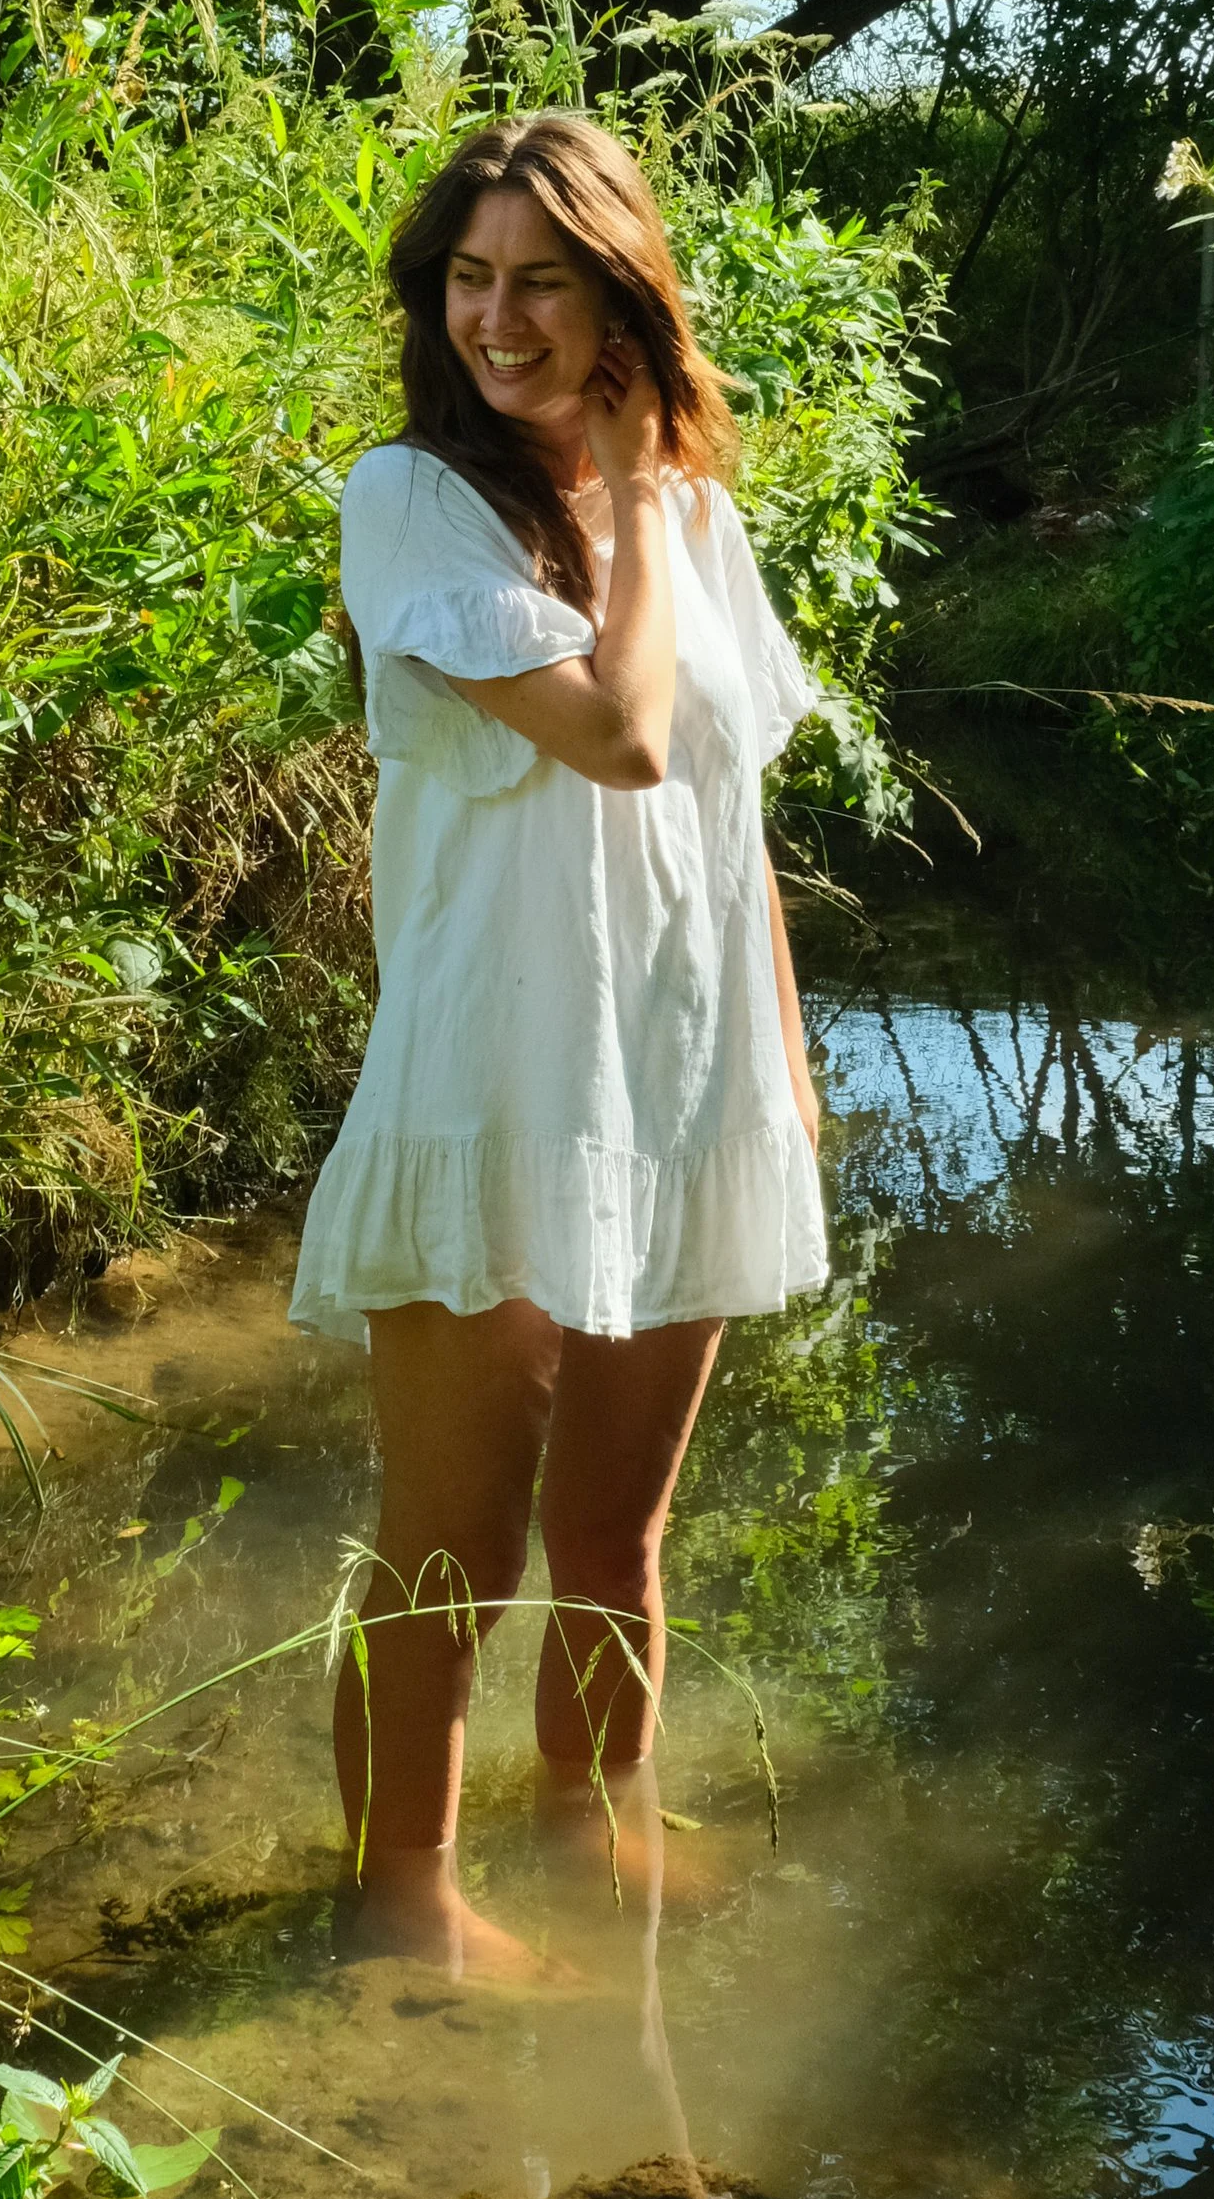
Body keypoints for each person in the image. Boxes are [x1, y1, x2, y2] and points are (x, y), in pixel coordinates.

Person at [290, 110, 827, 1978]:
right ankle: (401, 1902)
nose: (500, 317)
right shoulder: (411, 500)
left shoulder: (694, 515)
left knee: (620, 1533)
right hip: (490, 1079)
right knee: (453, 1544)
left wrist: (780, 1068)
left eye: (542, 278)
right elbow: (619, 734)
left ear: (619, 293)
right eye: (471, 278)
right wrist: (621, 479)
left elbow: (728, 810)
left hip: (678, 1087)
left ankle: (592, 1822)